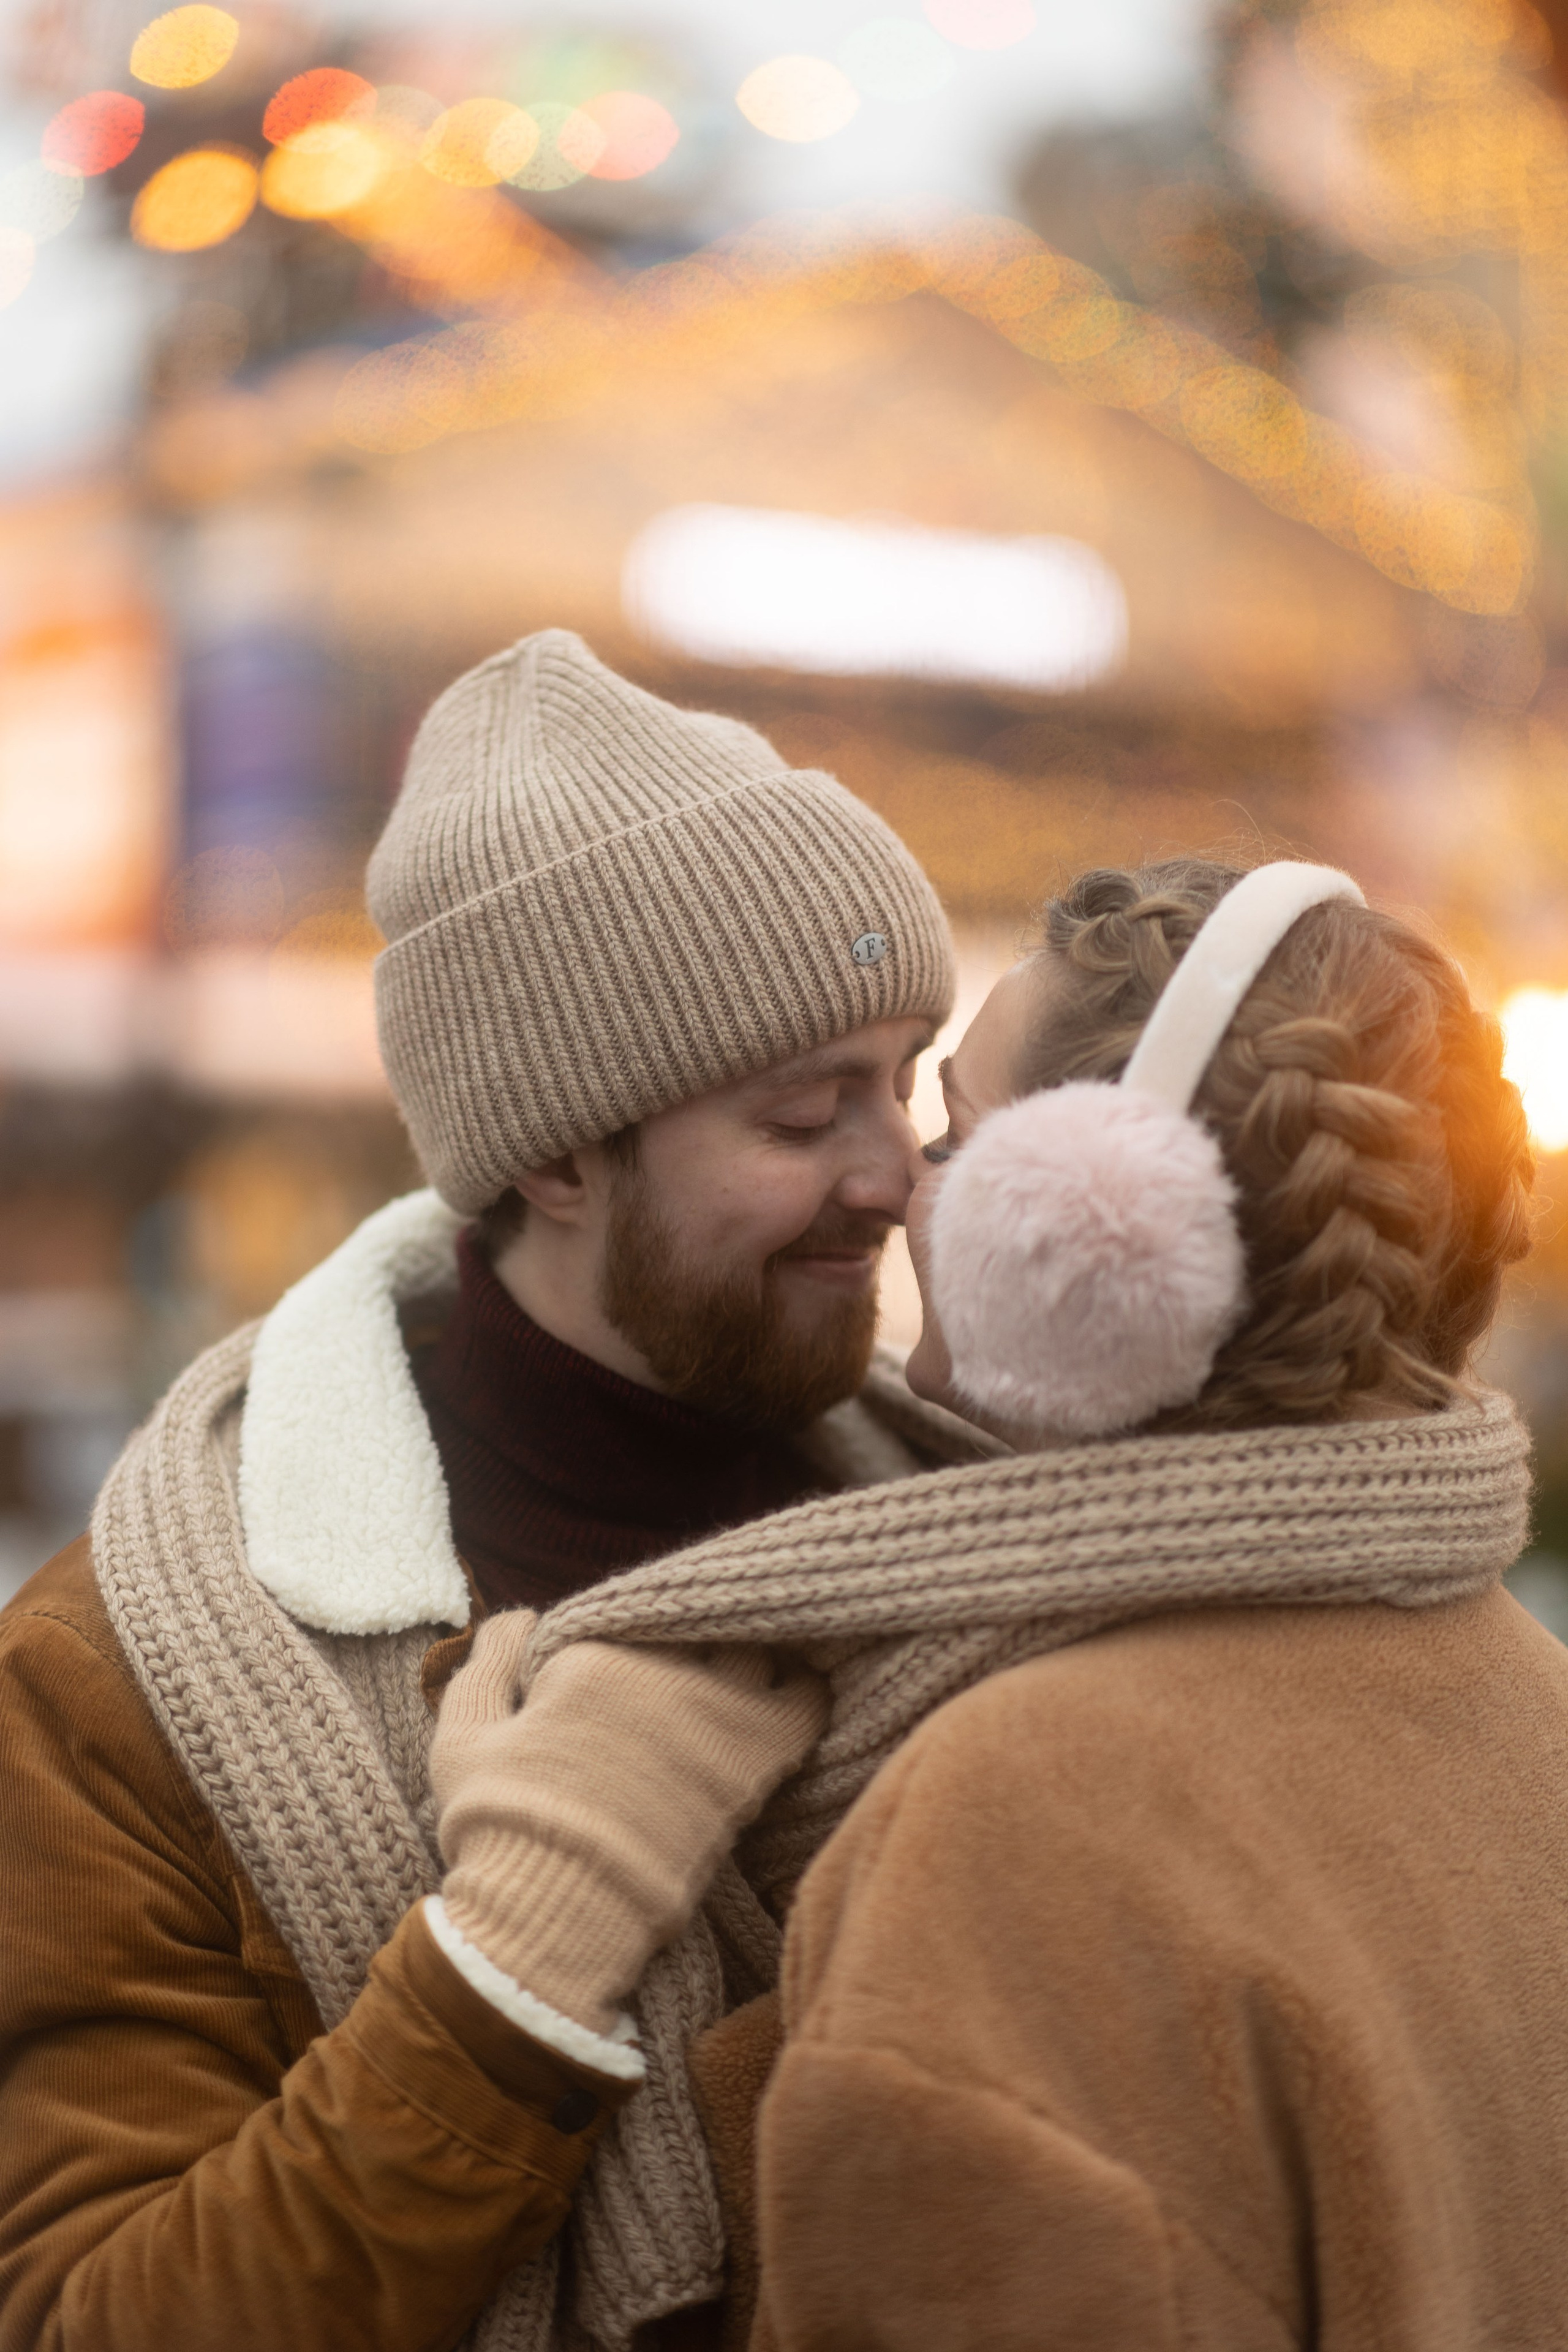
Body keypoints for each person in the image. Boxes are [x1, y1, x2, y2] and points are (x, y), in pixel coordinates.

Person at [420, 856, 1556, 2351]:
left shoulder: (1019, 1815)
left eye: (953, 1133)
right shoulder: (1520, 1690)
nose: (895, 1189)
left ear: (1092, 1242)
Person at [0, 630, 978, 2351]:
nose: (895, 1176)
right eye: (806, 1112)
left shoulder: (981, 1556)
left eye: (900, 1085)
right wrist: (514, 1961)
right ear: (556, 1149)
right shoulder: (116, 1678)